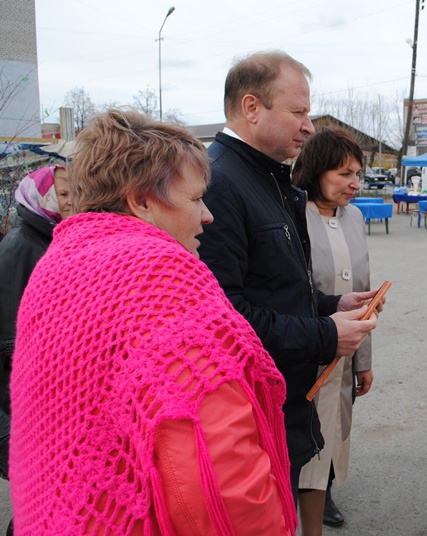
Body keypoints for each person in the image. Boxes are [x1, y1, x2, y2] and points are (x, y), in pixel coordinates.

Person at [9, 109, 296, 534]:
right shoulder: (160, 275)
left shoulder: (57, 264)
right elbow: (212, 466)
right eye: (196, 199)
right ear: (141, 199)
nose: (208, 216)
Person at [197, 51, 379, 499]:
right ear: (252, 108)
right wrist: (324, 334)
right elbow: (223, 318)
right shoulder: (219, 182)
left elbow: (280, 289)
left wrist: (332, 306)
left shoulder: (271, 180)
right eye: (298, 112)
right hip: (249, 408)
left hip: (280, 399)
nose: (309, 126)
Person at [291, 128, 374, 534]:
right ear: (317, 170)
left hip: (345, 352)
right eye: (344, 173)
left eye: (357, 173)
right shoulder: (292, 214)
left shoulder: (355, 217)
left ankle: (321, 494)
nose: (355, 183)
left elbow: (362, 292)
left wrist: (364, 361)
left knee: (334, 429)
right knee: (301, 434)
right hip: (304, 349)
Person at [0, 164, 71, 535]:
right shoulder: (22, 247)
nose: (70, 199)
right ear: (38, 197)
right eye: (61, 193)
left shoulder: (50, 238)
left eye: (74, 191)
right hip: (24, 409)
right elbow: (12, 345)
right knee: (40, 501)